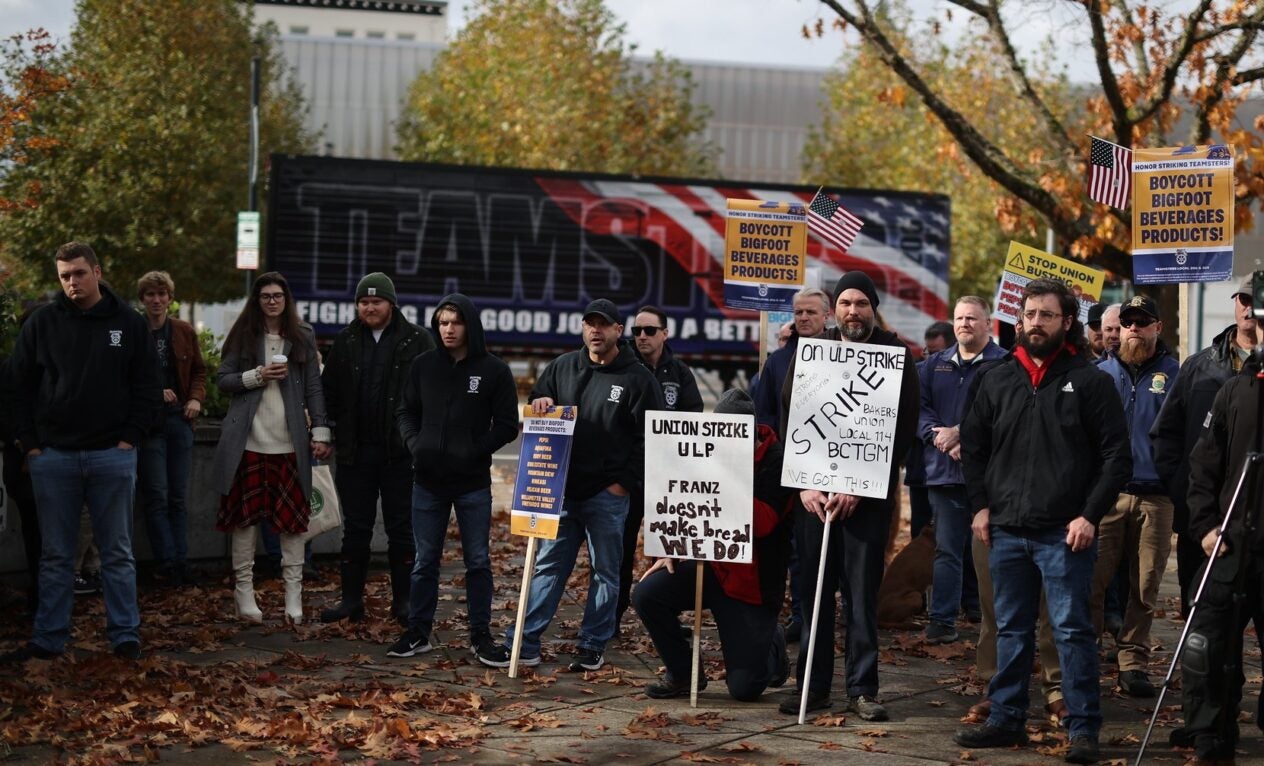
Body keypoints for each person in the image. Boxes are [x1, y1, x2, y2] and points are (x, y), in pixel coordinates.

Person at [955, 278, 1131, 764]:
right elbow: (973, 449)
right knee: (1010, 628)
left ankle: (1082, 727)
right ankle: (1006, 716)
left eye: (1046, 315)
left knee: (1072, 631)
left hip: (1065, 534)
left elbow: (1118, 458)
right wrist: (981, 507)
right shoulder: (996, 378)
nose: (1035, 323)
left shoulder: (1091, 381)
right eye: (1029, 314)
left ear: (1067, 322)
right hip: (1006, 529)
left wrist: (1089, 515)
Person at [1, 242, 160, 662]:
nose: (72, 282)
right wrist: (31, 444)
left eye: (79, 273)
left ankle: (125, 636)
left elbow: (147, 385)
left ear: (98, 271)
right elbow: (17, 386)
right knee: (56, 557)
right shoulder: (43, 323)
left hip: (113, 453)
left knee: (118, 554)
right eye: (64, 276)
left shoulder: (128, 323)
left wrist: (130, 437)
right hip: (54, 458)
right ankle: (48, 639)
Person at [777, 271, 919, 720]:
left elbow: (902, 430)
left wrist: (860, 484)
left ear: (873, 307)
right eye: (845, 303)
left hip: (866, 503)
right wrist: (804, 483)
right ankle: (813, 688)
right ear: (834, 310)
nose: (853, 311)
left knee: (860, 596)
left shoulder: (895, 355)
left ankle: (862, 689)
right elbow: (788, 421)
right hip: (813, 501)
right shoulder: (813, 352)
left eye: (861, 303)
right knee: (811, 596)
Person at [503, 299, 663, 671]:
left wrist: (623, 484)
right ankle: (524, 641)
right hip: (560, 491)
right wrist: (539, 400)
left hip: (607, 495)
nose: (596, 330)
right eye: (590, 324)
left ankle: (592, 643)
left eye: (604, 325)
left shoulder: (638, 379)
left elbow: (650, 439)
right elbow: (539, 400)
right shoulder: (562, 367)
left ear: (618, 332)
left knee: (606, 571)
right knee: (548, 566)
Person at [633, 389, 794, 701]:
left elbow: (761, 524)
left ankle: (773, 645)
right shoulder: (706, 450)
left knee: (745, 690)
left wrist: (725, 475)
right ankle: (682, 674)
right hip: (712, 565)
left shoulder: (778, 460)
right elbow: (687, 502)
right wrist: (675, 545)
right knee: (647, 594)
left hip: (753, 584)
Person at [389, 294, 518, 664]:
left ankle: (481, 637)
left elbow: (508, 424)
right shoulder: (423, 366)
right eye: (443, 322)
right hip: (427, 481)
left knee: (477, 561)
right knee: (424, 561)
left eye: (455, 322)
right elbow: (405, 411)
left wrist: (474, 450)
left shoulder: (494, 370)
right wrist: (416, 445)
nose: (448, 329)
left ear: (469, 326)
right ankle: (418, 632)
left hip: (472, 482)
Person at [211, 272, 331, 625]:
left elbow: (314, 389)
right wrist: (258, 375)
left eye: (278, 295)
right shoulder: (243, 334)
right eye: (265, 296)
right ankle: (244, 594)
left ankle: (293, 595)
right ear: (257, 300)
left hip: (290, 444)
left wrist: (320, 432)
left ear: (286, 299)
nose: (272, 301)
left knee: (294, 525)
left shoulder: (303, 335)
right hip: (247, 443)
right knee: (244, 524)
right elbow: (223, 380)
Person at [319, 273, 434, 624]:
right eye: (364, 302)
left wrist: (421, 441)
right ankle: (351, 601)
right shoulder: (346, 340)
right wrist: (326, 431)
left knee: (401, 529)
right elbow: (329, 392)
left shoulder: (418, 340)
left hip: (400, 453)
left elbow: (431, 394)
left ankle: (404, 604)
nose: (369, 307)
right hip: (356, 452)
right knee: (355, 528)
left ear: (391, 304)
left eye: (376, 301)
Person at [1153, 275, 1261, 616]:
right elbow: (1166, 433)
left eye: (1255, 301)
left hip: (1255, 521)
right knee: (1201, 629)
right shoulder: (1199, 366)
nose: (1248, 308)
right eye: (1242, 299)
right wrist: (1181, 488)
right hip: (1203, 521)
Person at [1178, 331, 1262, 766]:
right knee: (1204, 646)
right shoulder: (1235, 389)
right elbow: (1203, 465)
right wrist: (1205, 527)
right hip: (1230, 546)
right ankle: (1211, 735)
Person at [1091, 294, 1179, 698]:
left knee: (1144, 586)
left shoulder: (1176, 375)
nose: (1133, 329)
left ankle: (1132, 662)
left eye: (1142, 322)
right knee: (1091, 581)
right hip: (1105, 497)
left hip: (1156, 498)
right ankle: (1085, 655)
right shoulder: (1098, 374)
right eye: (1128, 322)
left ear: (1157, 328)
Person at [919, 297, 1004, 644]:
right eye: (959, 318)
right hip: (943, 472)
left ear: (988, 323)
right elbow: (919, 409)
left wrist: (963, 436)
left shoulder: (1005, 364)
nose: (964, 324)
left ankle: (992, 620)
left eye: (972, 318)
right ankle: (942, 620)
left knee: (990, 551)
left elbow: (1006, 416)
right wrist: (938, 437)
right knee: (947, 549)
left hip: (989, 476)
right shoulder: (932, 365)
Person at [750, 286, 831, 641]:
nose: (803, 318)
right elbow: (762, 413)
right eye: (798, 313)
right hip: (782, 471)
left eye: (811, 312)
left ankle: (810, 616)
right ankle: (782, 617)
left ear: (827, 315)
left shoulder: (842, 355)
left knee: (812, 551)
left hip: (825, 469)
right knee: (782, 548)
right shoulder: (779, 361)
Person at [617, 305, 703, 628]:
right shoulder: (623, 369)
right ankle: (612, 617)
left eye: (649, 330)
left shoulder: (679, 374)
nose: (641, 336)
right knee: (621, 551)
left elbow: (692, 419)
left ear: (665, 334)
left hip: (667, 478)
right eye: (636, 331)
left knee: (668, 552)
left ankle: (664, 616)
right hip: (629, 477)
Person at [135, 271, 206, 585]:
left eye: (162, 294)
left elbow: (200, 372)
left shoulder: (183, 330)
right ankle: (166, 562)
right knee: (157, 496)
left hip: (180, 421)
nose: (157, 300)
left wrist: (195, 399)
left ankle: (180, 561)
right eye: (150, 294)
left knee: (178, 497)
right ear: (142, 299)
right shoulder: (132, 330)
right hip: (149, 424)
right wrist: (154, 393)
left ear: (170, 298)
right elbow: (121, 377)